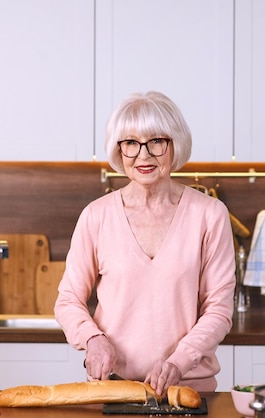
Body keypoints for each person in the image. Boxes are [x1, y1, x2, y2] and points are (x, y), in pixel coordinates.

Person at [54, 91, 236, 395]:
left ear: (174, 144)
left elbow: (218, 309)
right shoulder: (95, 216)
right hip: (113, 390)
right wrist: (92, 339)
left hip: (188, 390)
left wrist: (178, 362)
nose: (144, 155)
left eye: (156, 141)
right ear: (119, 149)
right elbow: (68, 299)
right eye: (131, 143)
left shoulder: (210, 214)